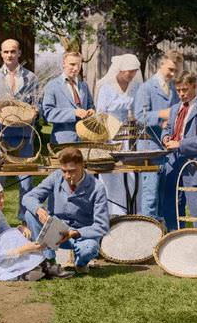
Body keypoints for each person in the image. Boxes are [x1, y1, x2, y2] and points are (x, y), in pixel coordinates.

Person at [21, 147, 110, 275]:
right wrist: (38, 209)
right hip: (55, 231)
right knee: (30, 213)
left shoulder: (97, 187)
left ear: (82, 166)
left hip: (81, 235)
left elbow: (102, 226)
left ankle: (81, 263)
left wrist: (75, 232)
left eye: (72, 171)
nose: (67, 176)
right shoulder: (56, 176)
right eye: (64, 171)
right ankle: (49, 261)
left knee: (89, 249)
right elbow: (28, 197)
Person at [0, 38, 39, 220]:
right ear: (1, 54)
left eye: (13, 51)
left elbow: (39, 105)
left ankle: (25, 222)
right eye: (6, 52)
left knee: (26, 183)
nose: (9, 55)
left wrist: (36, 111)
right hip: (0, 137)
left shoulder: (31, 78)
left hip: (24, 137)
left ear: (19, 53)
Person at [158, 71, 197, 231]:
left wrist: (180, 144)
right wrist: (166, 138)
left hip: (194, 167)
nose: (181, 94)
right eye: (178, 90)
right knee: (171, 206)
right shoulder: (176, 108)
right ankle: (174, 239)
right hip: (173, 164)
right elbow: (168, 128)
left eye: (185, 89)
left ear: (194, 86)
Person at [132, 52, 181, 217]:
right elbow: (139, 117)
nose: (173, 74)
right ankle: (149, 232)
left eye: (176, 71)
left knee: (163, 194)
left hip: (167, 149)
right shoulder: (146, 88)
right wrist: (161, 114)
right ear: (161, 65)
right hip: (150, 147)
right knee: (150, 194)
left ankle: (161, 231)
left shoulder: (174, 88)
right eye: (170, 70)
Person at [95, 53, 143, 216]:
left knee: (130, 174)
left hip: (129, 135)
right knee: (112, 175)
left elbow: (138, 106)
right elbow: (100, 112)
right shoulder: (106, 87)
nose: (131, 75)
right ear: (120, 70)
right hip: (111, 134)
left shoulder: (135, 87)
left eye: (134, 71)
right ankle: (112, 212)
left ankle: (131, 210)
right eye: (128, 71)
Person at [41, 50, 94, 145]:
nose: (76, 68)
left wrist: (91, 111)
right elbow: (47, 113)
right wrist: (73, 113)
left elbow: (91, 106)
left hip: (85, 140)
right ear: (63, 64)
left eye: (79, 65)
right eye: (72, 64)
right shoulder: (52, 85)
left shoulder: (84, 85)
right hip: (63, 141)